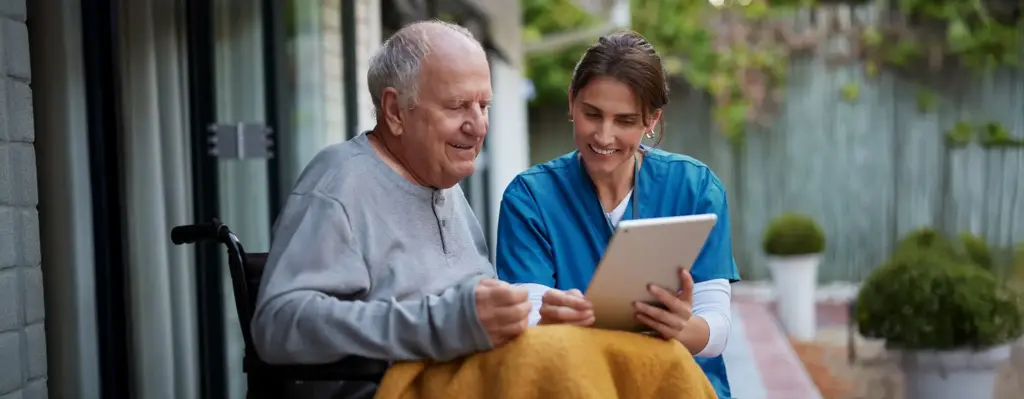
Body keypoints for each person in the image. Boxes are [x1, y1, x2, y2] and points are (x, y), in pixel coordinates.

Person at [251, 20, 531, 398]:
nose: (479, 126)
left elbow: (468, 311)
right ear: (395, 111)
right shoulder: (339, 183)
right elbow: (278, 324)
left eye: (484, 105)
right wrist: (439, 325)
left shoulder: (441, 182)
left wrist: (530, 315)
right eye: (457, 106)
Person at [495, 31, 740, 398]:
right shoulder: (530, 197)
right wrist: (546, 320)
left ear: (651, 121)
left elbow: (716, 329)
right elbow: (528, 321)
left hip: (674, 384)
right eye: (592, 114)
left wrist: (682, 328)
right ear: (571, 103)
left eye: (625, 121)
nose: (604, 136)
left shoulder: (695, 188)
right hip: (577, 384)